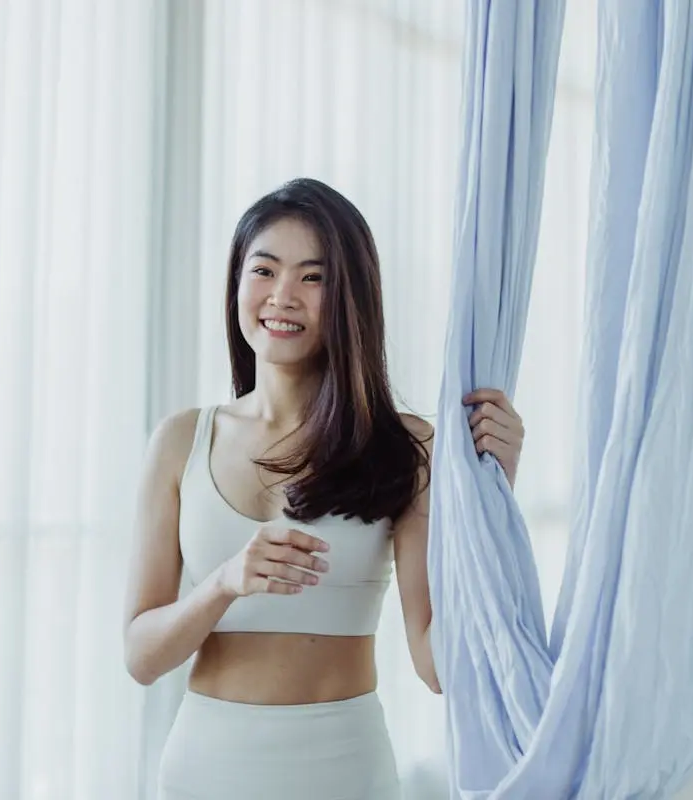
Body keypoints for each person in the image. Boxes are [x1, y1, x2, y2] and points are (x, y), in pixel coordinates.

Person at [122, 178, 526, 799]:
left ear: (351, 298)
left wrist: (491, 504)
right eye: (265, 270)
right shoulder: (180, 441)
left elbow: (438, 665)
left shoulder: (411, 447)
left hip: (344, 767)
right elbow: (142, 657)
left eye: (315, 277)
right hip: (204, 767)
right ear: (237, 281)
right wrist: (225, 583)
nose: (283, 296)